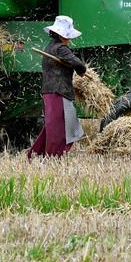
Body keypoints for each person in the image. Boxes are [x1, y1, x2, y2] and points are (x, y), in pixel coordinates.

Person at [28, 16, 87, 159]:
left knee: (53, 126)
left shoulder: (50, 47)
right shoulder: (61, 48)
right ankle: (53, 157)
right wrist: (82, 71)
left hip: (49, 91)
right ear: (62, 35)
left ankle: (37, 155)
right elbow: (79, 64)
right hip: (59, 92)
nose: (69, 39)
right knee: (58, 128)